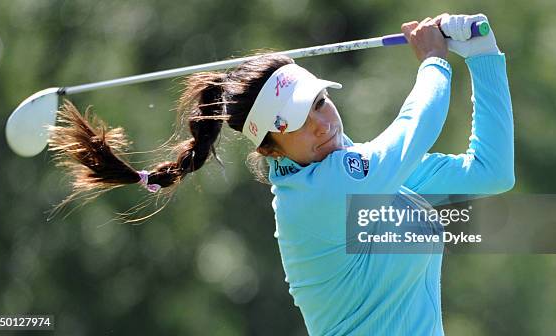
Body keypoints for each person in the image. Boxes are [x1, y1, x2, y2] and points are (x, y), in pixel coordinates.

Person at [48, 13, 514, 335]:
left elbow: (490, 172)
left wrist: (485, 57)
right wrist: (434, 60)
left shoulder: (367, 170)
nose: (321, 123)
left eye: (318, 102)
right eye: (296, 123)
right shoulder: (312, 196)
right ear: (270, 148)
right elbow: (415, 130)